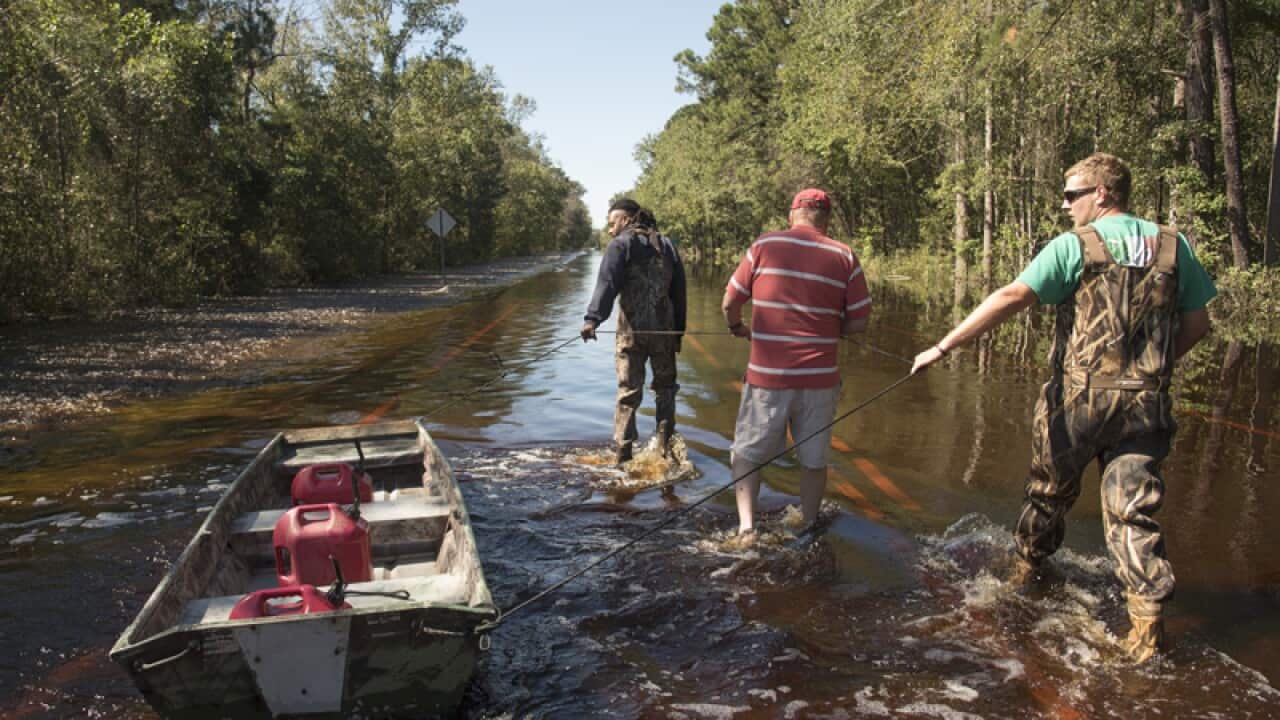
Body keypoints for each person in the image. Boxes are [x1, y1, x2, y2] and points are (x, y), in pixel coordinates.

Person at [910, 153, 1217, 662]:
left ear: (1102, 193)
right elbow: (1198, 325)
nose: (1065, 204)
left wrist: (944, 347)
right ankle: (1146, 629)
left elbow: (1012, 295)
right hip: (1147, 404)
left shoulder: (1075, 246)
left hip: (1077, 402)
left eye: (1072, 194)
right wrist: (1149, 370)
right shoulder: (1173, 246)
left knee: (1049, 495)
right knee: (1133, 512)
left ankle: (1026, 576)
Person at [722, 188, 872, 539]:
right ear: (827, 219)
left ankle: (747, 529)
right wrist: (831, 329)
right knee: (814, 459)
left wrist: (737, 328)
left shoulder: (763, 246)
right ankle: (806, 525)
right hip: (820, 381)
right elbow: (859, 321)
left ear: (792, 215)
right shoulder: (845, 256)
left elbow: (730, 301)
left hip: (767, 379)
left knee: (746, 453)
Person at [581, 199, 687, 464]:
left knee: (628, 394)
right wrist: (678, 333)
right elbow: (679, 294)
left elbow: (607, 285)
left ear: (626, 219)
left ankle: (623, 456)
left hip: (631, 335)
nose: (609, 230)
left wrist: (592, 320)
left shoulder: (620, 245)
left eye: (612, 222)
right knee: (666, 390)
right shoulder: (667, 245)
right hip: (664, 334)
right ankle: (666, 453)